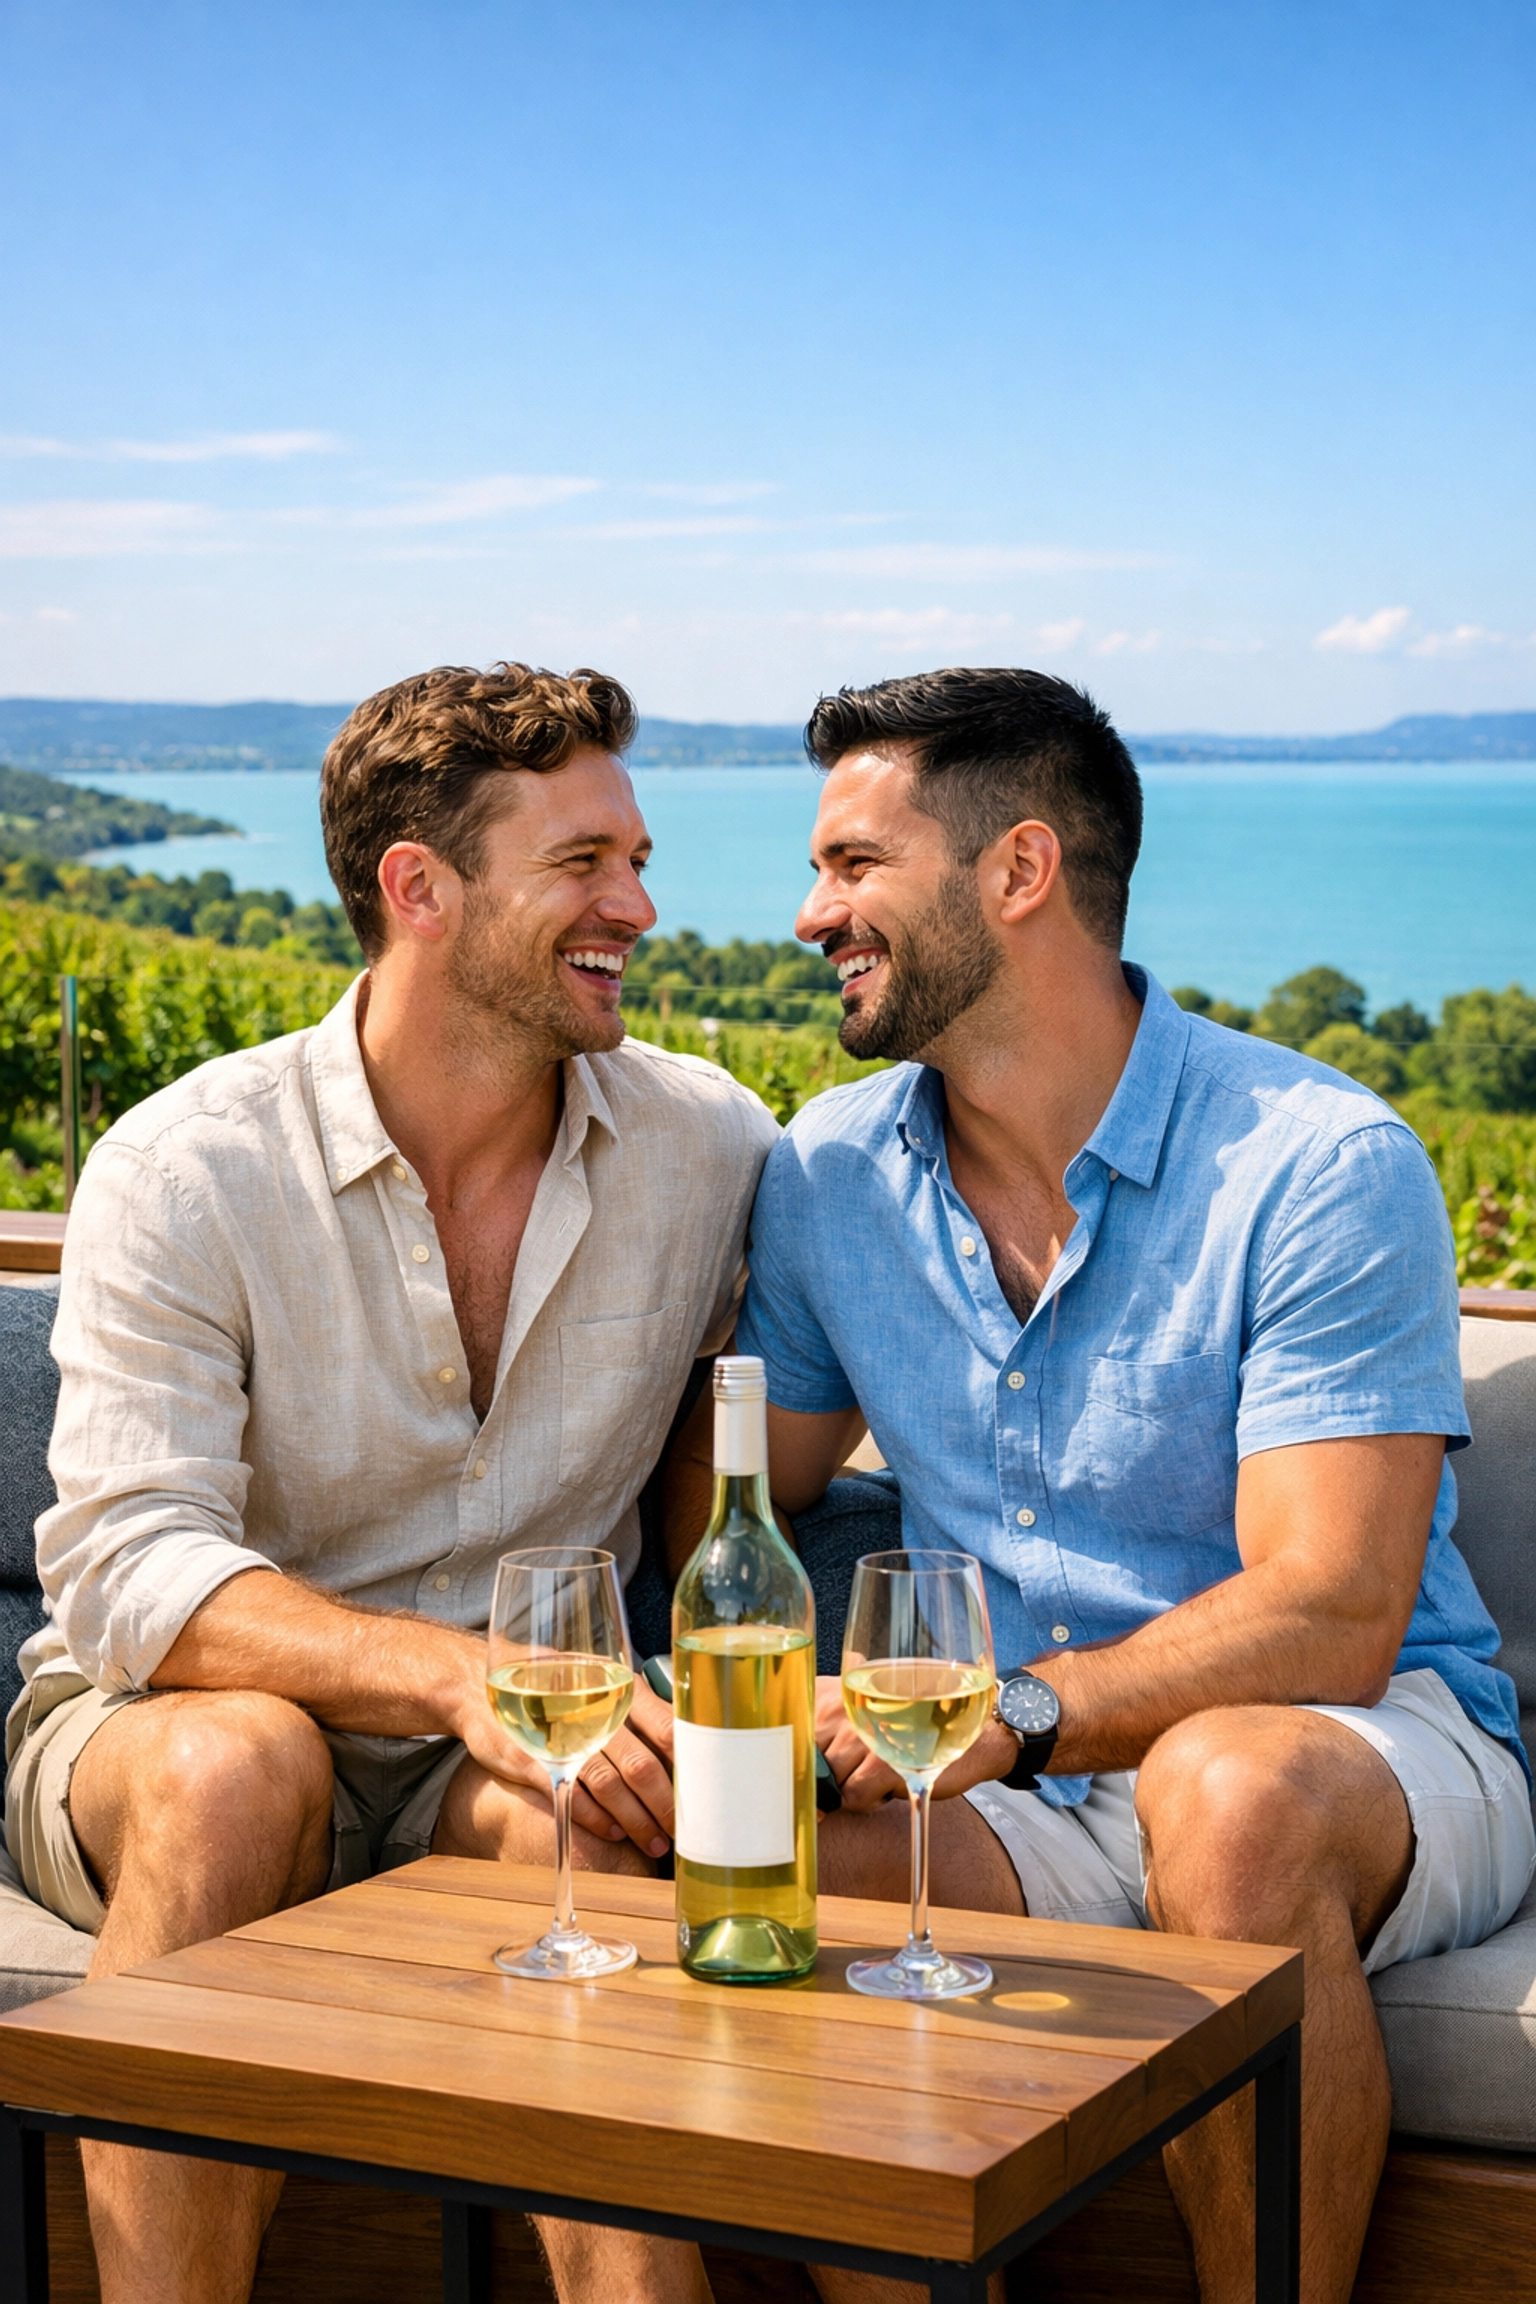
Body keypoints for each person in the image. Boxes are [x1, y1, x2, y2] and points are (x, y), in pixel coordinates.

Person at [734, 666, 1535, 2304]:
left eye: (855, 865)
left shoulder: (1317, 1163)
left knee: (1224, 1798)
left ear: (1018, 872)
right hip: (1007, 1775)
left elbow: (1334, 1616)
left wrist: (1014, 1710)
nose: (813, 911)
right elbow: (737, 1505)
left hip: (1359, 1751)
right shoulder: (826, 1175)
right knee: (762, 1871)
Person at [5, 661, 777, 2304]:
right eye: (585, 864)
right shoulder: (184, 1167)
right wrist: (454, 1676)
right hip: (156, 1725)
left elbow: (781, 1423)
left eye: (638, 858)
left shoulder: (708, 1149)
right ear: (418, 889)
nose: (638, 906)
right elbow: (129, 1569)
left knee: (585, 1809)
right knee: (242, 1770)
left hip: (510, 1749)